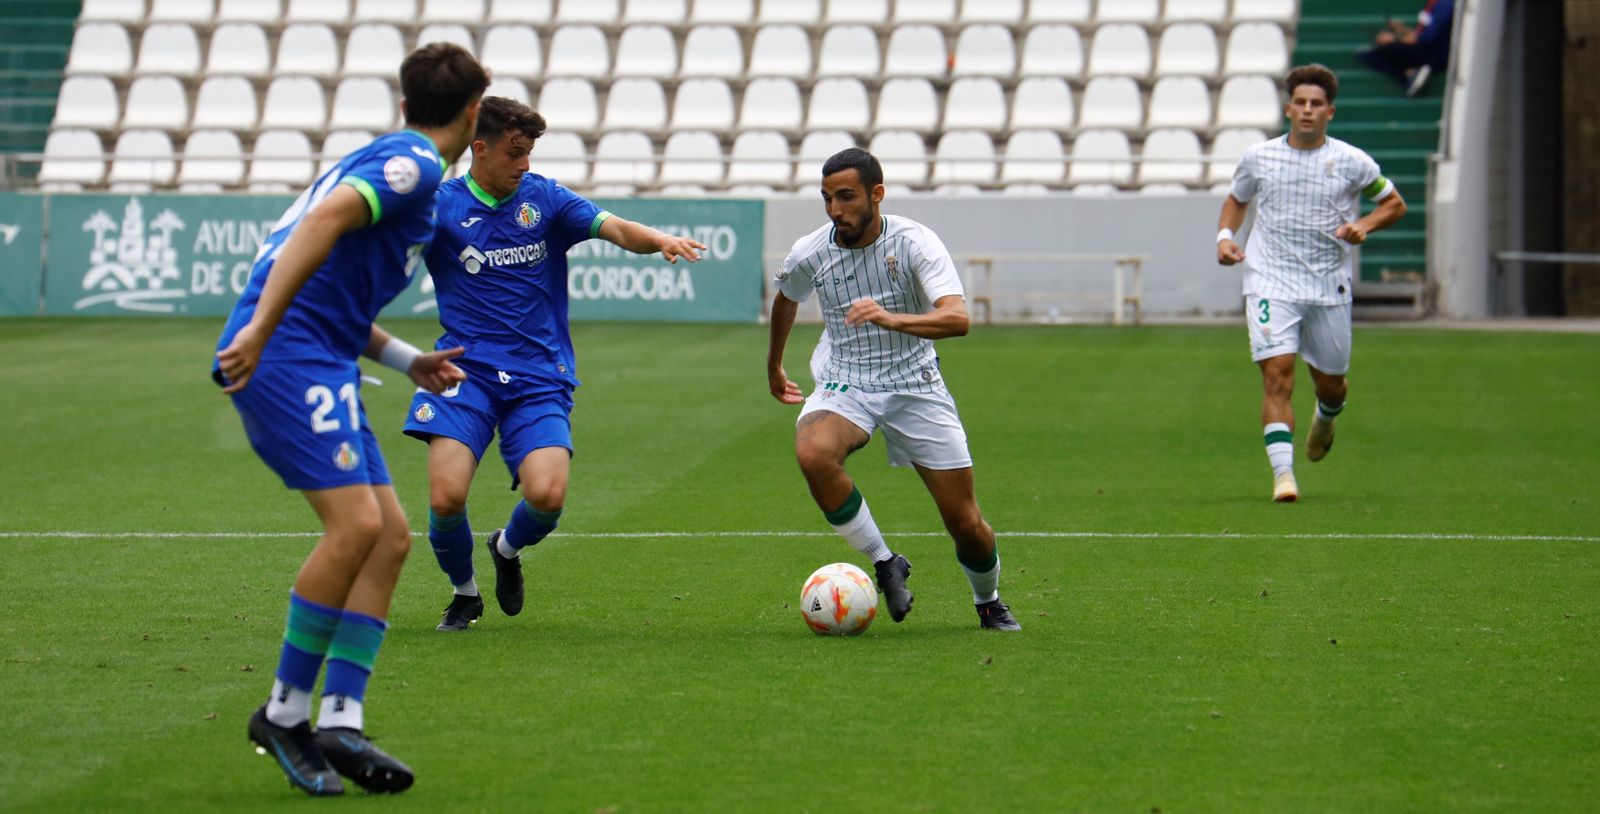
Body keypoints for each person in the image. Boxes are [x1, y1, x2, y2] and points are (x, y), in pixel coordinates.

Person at [213, 43, 488, 795]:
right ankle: (284, 713)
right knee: (356, 529)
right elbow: (321, 225)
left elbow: (333, 290)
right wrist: (261, 330)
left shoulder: (395, 160)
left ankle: (339, 718)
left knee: (390, 537)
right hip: (287, 356)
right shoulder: (420, 167)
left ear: (404, 106)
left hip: (319, 352)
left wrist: (409, 362)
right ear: (473, 113)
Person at [403, 96, 705, 631]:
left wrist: (657, 238)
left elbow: (614, 227)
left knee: (547, 496)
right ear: (480, 149)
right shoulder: (442, 206)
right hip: (462, 371)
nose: (525, 164)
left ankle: (506, 546)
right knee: (446, 497)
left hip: (538, 376)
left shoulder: (544, 198)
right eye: (516, 153)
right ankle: (464, 593)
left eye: (531, 153)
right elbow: (381, 241)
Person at [766, 147, 1020, 632]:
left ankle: (987, 600)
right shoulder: (812, 250)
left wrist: (891, 317)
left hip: (915, 383)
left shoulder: (915, 242)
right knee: (814, 454)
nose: (835, 210)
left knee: (965, 523)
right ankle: (885, 563)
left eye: (846, 197)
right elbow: (786, 300)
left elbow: (958, 318)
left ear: (876, 194)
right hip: (845, 379)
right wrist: (775, 366)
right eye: (826, 198)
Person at [1215, 64, 1407, 502]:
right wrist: (1225, 238)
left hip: (1327, 285)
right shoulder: (1259, 157)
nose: (1307, 111)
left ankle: (1328, 415)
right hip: (1269, 280)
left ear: (1330, 112)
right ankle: (1284, 475)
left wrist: (1365, 225)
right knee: (1278, 378)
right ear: (1287, 108)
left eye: (1316, 104)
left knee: (1331, 385)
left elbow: (1394, 204)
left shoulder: (1352, 161)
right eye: (1299, 103)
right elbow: (1237, 199)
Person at [1355, 0, 1455, 97]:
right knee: (1369, 54)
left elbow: (1428, 38)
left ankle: (1409, 75)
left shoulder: (1444, 4)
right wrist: (1402, 29)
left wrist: (1394, 39)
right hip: (1426, 50)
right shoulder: (1434, 3)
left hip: (1435, 55)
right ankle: (1410, 73)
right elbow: (1420, 35)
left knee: (1380, 52)